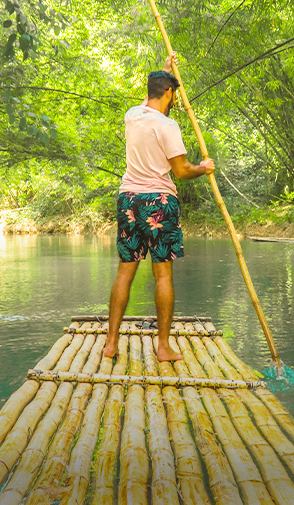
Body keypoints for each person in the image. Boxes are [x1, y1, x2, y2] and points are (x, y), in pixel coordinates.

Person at [102, 53, 215, 362]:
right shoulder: (167, 126)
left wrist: (165, 73)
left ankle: (110, 344)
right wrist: (203, 168)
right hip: (158, 201)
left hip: (128, 200)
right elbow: (180, 170)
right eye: (172, 93)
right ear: (169, 93)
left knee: (125, 273)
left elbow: (149, 100)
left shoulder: (132, 114)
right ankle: (163, 347)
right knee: (162, 276)